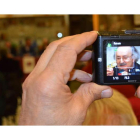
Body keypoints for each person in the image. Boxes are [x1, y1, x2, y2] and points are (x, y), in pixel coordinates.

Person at [18, 31, 140, 125]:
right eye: (118, 58)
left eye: (125, 57)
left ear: (134, 58)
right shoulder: (110, 70)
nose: (121, 61)